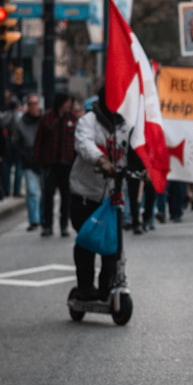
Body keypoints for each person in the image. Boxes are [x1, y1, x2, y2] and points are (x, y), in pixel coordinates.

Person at [69, 91, 130, 301]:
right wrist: (101, 160)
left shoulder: (126, 125)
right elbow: (84, 144)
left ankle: (108, 287)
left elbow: (138, 148)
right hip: (84, 195)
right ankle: (85, 286)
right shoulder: (89, 121)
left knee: (112, 245)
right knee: (88, 241)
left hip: (112, 197)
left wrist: (147, 169)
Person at [34, 93, 77, 237]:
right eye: (67, 102)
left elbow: (77, 143)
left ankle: (64, 225)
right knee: (48, 195)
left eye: (70, 102)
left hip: (67, 163)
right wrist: (38, 160)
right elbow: (39, 140)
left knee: (66, 197)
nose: (69, 105)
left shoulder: (73, 119)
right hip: (50, 163)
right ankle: (47, 225)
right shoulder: (47, 118)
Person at [12, 93, 43, 230]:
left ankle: (43, 218)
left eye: (36, 103)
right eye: (31, 104)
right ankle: (34, 220)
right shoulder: (21, 123)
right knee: (32, 192)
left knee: (44, 192)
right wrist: (23, 155)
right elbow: (15, 142)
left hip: (43, 161)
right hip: (28, 160)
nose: (34, 107)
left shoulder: (44, 121)